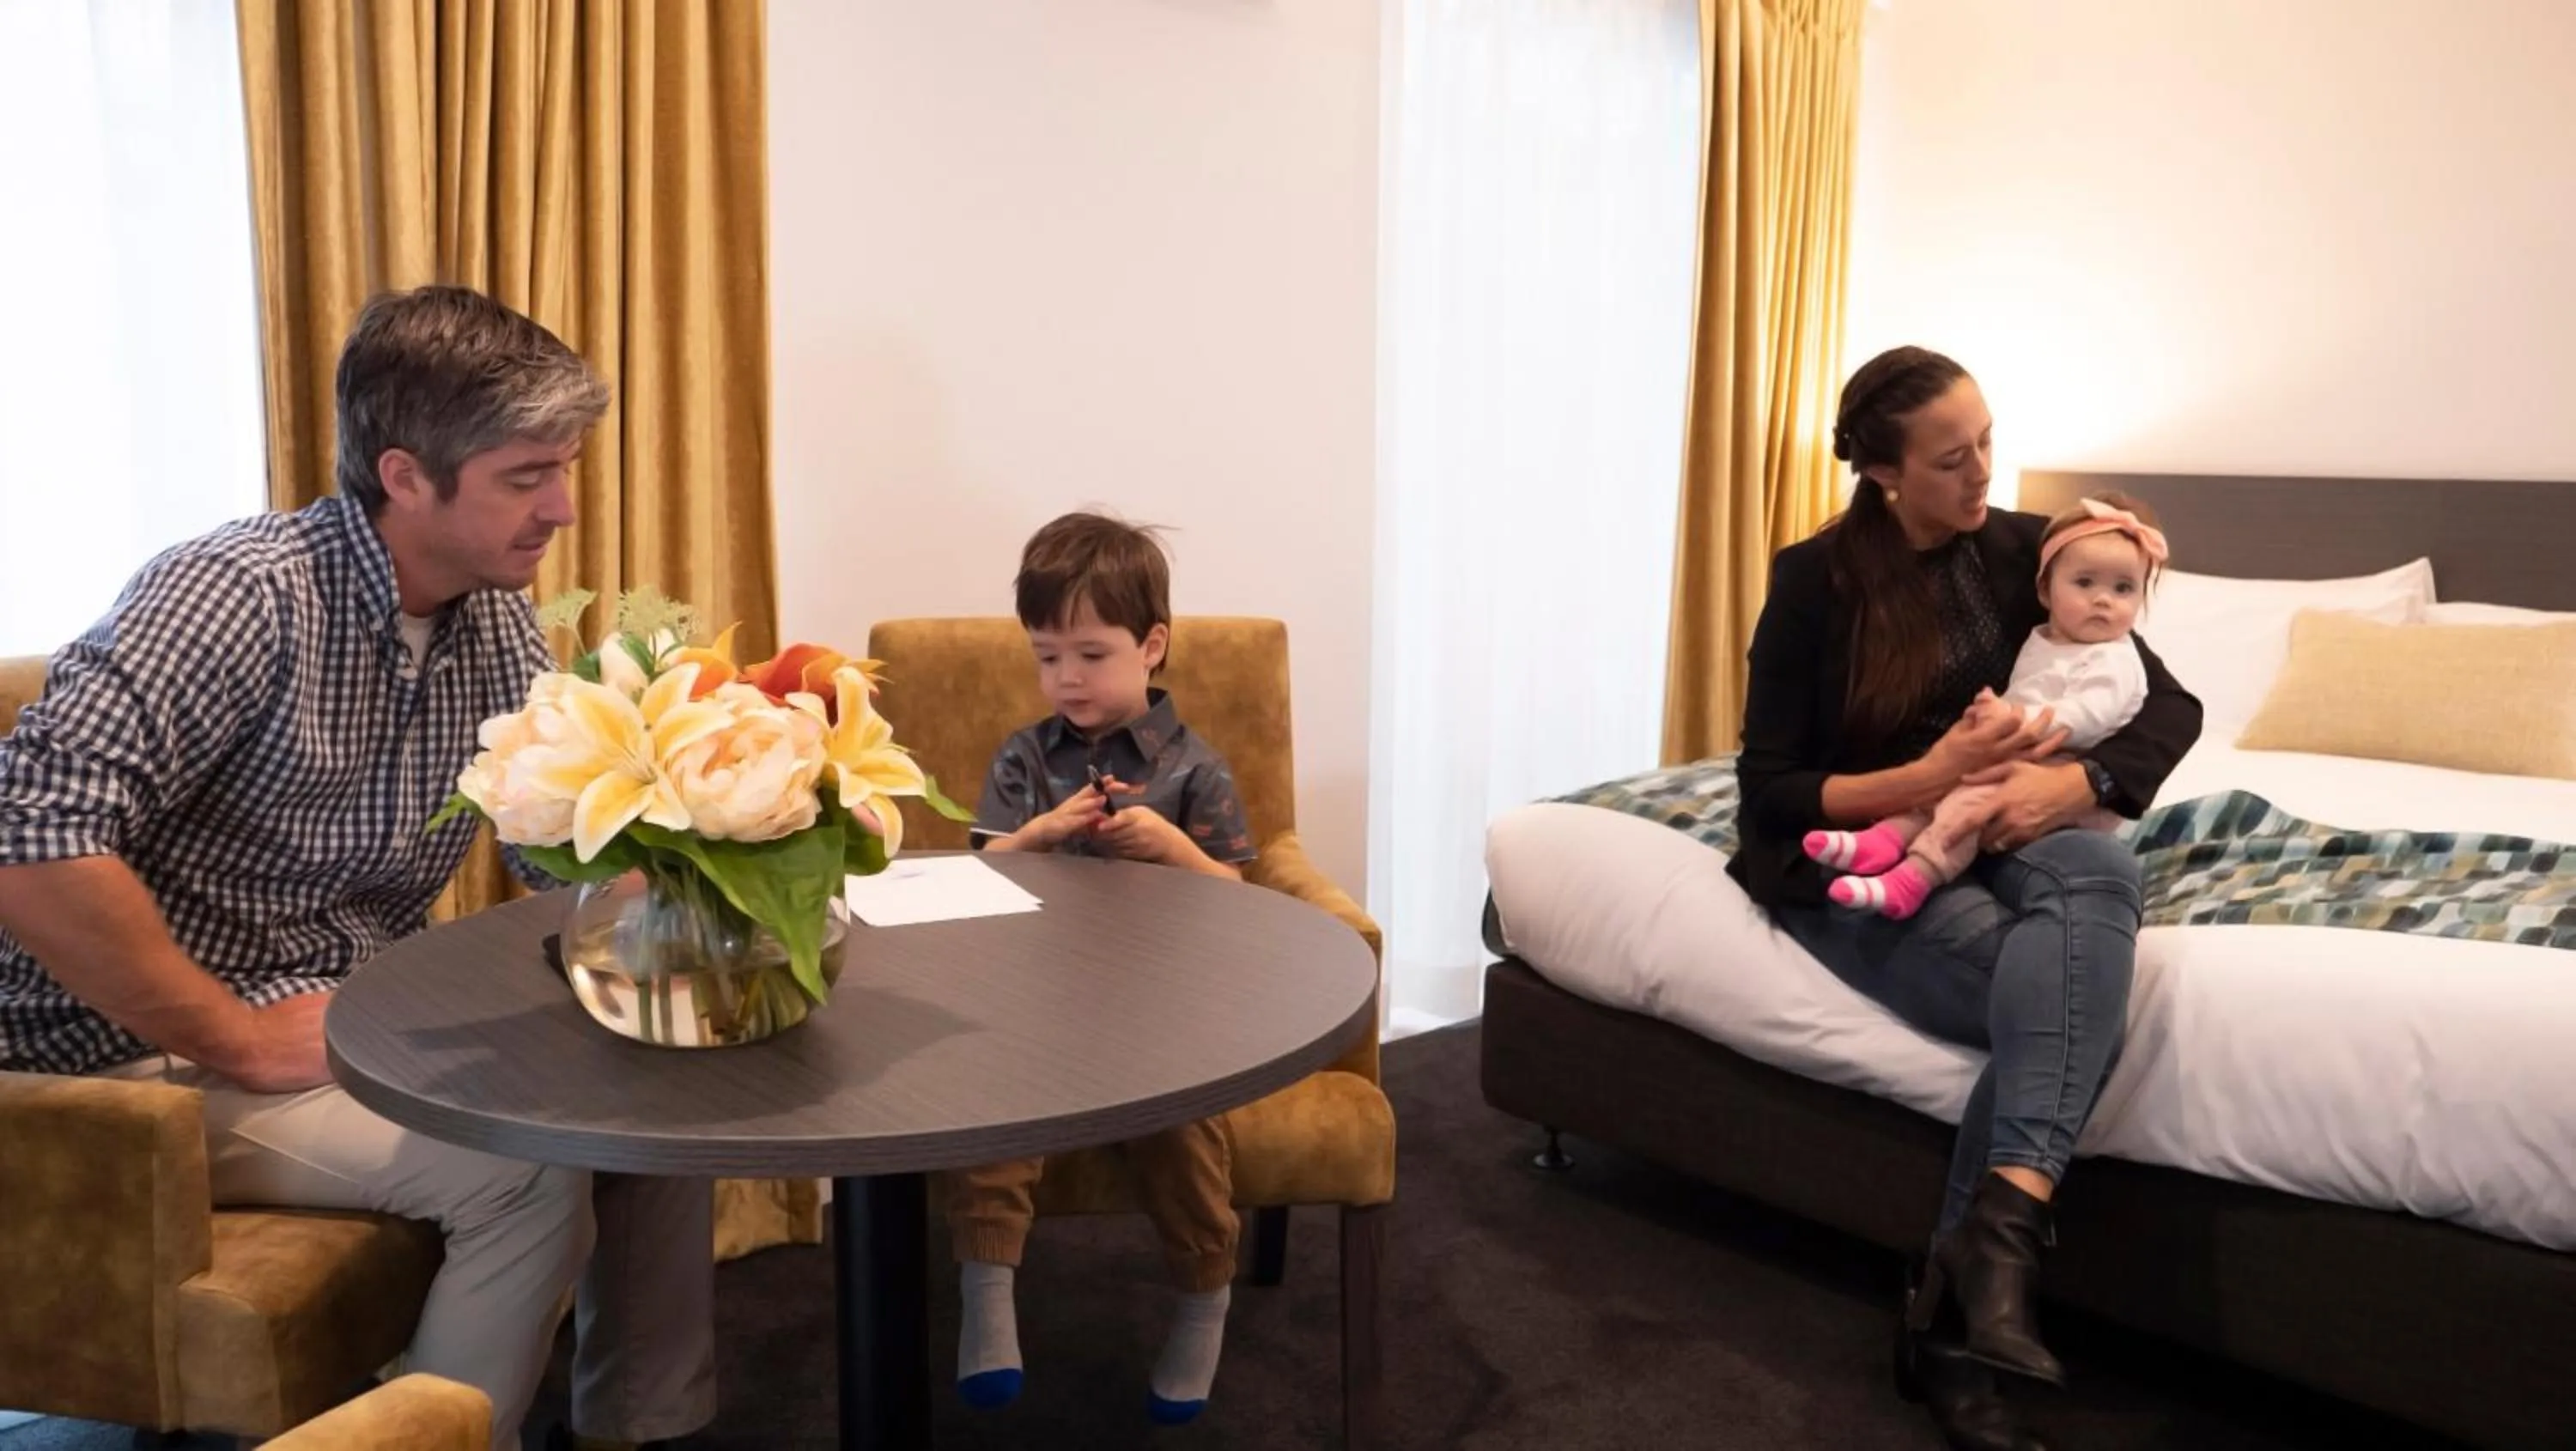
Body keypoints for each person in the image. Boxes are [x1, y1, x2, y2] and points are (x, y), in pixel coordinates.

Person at [0, 285, 714, 1451]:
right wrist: (231, 1032)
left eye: (564, 467)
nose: (566, 508)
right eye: (526, 475)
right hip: (106, 1071)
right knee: (526, 1177)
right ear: (405, 474)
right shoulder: (238, 596)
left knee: (660, 1106)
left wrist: (713, 880)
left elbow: (551, 852)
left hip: (338, 1023)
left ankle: (640, 1432)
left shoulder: (489, 625)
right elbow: (25, 843)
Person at [1729, 346, 2202, 1451]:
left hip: (2006, 824)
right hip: (1858, 847)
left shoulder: (2032, 546)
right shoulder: (1814, 581)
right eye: (1952, 459)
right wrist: (1934, 776)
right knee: (2066, 992)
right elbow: (1772, 786)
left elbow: (2166, 703)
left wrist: (2075, 781)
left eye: (1988, 439)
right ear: (1887, 472)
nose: (1984, 470)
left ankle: (1986, 1247)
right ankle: (1958, 1318)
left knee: (2105, 869)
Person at [946, 511, 1259, 1424]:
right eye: (1047, 657)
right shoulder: (1024, 756)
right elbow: (977, 872)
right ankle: (986, 1296)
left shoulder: (1195, 767)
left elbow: (1238, 896)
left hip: (1159, 1004)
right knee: (990, 1109)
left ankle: (1204, 1299)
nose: (1066, 679)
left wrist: (1167, 845)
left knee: (1185, 1126)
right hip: (1034, 996)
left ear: (1152, 645)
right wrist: (1039, 832)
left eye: (1090, 654)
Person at [1807, 491, 2172, 918]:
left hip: (2068, 769)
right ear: (2045, 590)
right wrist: (1991, 712)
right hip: (2028, 748)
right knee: (1945, 778)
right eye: (2085, 583)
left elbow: (2090, 717)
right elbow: (2028, 692)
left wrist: (2014, 720)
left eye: (2124, 588)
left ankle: (1915, 878)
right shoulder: (2047, 638)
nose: (2104, 599)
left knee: (1970, 805)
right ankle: (1884, 839)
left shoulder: (2115, 656)